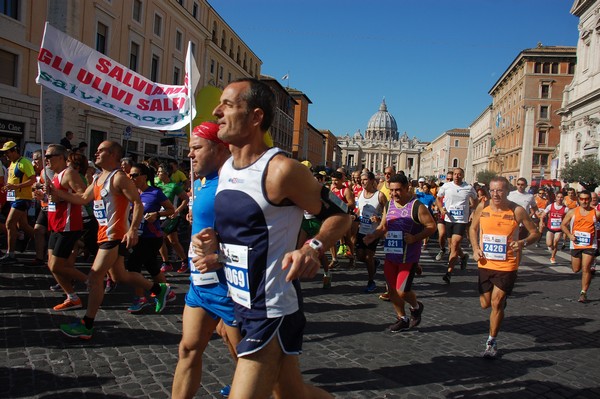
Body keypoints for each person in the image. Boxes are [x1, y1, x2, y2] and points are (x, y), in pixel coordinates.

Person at [191, 78, 350, 398]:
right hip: (240, 304)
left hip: (272, 307)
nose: (216, 111)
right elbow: (249, 242)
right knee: (292, 394)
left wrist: (312, 247)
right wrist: (216, 252)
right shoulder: (225, 171)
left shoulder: (281, 171)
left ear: (255, 117)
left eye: (228, 105)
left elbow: (342, 215)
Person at [49, 140, 171, 339]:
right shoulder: (98, 178)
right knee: (120, 276)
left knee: (96, 276)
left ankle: (87, 325)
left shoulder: (119, 178)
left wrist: (132, 230)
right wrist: (56, 193)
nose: (95, 153)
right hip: (103, 235)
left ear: (113, 154)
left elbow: (138, 204)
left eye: (100, 150)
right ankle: (158, 288)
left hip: (115, 236)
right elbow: (82, 199)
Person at [171, 121, 239, 399]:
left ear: (220, 147)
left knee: (253, 365)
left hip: (232, 290)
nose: (190, 155)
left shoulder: (236, 184)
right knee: (188, 349)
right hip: (200, 285)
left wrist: (220, 254)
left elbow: (266, 239)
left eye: (196, 147)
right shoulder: (201, 182)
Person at [469, 176, 540, 359]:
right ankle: (499, 301)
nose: (495, 194)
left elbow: (535, 233)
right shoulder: (482, 207)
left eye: (500, 190)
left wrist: (522, 242)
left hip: (507, 264)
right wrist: (476, 248)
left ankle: (491, 341)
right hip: (485, 262)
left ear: (507, 191)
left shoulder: (517, 211)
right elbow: (472, 229)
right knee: (485, 304)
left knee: (496, 303)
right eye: (492, 190)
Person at [364, 173, 436, 332]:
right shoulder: (389, 205)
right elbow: (383, 227)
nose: (394, 194)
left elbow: (431, 226)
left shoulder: (417, 206)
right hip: (391, 254)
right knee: (391, 290)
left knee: (402, 291)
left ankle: (416, 307)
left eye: (398, 190)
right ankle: (402, 318)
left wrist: (415, 237)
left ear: (406, 188)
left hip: (408, 256)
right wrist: (373, 235)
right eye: (391, 190)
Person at [126, 163, 176, 313]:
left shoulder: (154, 192)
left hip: (152, 237)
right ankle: (168, 292)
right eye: (130, 175)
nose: (131, 178)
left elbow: (170, 210)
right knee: (152, 268)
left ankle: (140, 299)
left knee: (133, 267)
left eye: (135, 175)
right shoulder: (131, 193)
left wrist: (157, 214)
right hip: (137, 236)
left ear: (144, 177)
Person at [43, 144, 88, 311]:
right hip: (56, 223)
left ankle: (91, 282)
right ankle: (72, 297)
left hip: (68, 225)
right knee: (52, 264)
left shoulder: (69, 174)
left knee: (56, 265)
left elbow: (83, 196)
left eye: (49, 156)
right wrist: (44, 196)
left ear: (61, 157)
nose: (46, 159)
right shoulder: (55, 175)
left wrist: (59, 194)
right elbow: (57, 199)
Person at [436, 167, 477, 283]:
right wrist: (440, 208)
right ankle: (463, 257)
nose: (457, 176)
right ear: (452, 175)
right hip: (449, 219)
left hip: (461, 220)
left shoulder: (468, 188)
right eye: (455, 174)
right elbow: (438, 198)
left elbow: (475, 200)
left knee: (454, 245)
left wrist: (473, 211)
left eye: (459, 174)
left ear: (463, 176)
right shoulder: (446, 186)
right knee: (451, 245)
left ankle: (448, 272)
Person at [560, 190, 600, 303]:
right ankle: (582, 265)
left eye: (587, 199)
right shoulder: (572, 212)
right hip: (576, 244)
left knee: (586, 268)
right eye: (582, 199)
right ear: (579, 199)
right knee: (576, 269)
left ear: (590, 200)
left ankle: (583, 293)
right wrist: (569, 235)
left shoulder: (596, 213)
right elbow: (563, 225)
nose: (584, 201)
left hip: (590, 244)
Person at [0, 141, 36, 264]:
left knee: (9, 224)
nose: (6, 155)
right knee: (23, 226)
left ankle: (11, 254)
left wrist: (16, 186)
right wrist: (7, 187)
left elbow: (32, 180)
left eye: (7, 152)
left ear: (14, 150)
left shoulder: (24, 162)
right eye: (4, 153)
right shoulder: (12, 163)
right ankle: (43, 243)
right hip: (14, 198)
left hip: (22, 198)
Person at [355, 171, 386, 293]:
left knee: (368, 256)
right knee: (360, 256)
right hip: (361, 229)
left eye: (365, 179)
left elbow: (387, 211)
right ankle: (375, 262)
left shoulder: (380, 195)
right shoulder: (360, 193)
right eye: (361, 180)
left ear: (372, 181)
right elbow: (359, 210)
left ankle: (371, 281)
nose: (362, 182)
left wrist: (379, 218)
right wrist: (355, 216)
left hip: (374, 231)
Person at [156, 163, 190, 273]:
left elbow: (185, 199)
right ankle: (185, 261)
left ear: (166, 173)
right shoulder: (156, 183)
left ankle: (166, 263)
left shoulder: (174, 186)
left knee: (159, 237)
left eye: (160, 172)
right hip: (160, 215)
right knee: (174, 241)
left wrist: (177, 211)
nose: (158, 173)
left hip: (171, 217)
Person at [540, 192, 567, 264]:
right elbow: (543, 214)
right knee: (549, 244)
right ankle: (551, 248)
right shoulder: (550, 206)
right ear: (556, 198)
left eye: (561, 197)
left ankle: (553, 257)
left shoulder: (565, 208)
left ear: (563, 199)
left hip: (559, 229)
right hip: (550, 228)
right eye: (558, 197)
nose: (559, 199)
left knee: (556, 241)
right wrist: (541, 221)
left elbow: (569, 217)